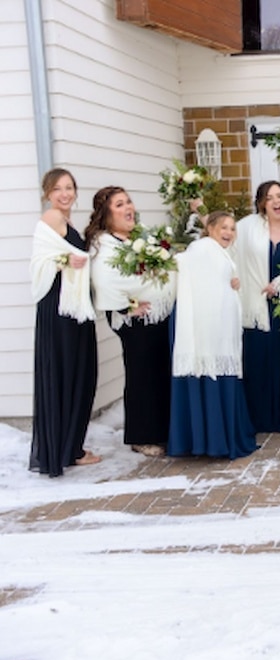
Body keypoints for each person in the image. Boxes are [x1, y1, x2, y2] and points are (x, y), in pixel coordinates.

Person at [86, 186, 175, 457]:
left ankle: (164, 429)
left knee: (160, 372)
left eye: (129, 202)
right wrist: (126, 306)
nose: (128, 208)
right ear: (106, 213)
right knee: (142, 376)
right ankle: (141, 436)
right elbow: (106, 279)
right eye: (119, 205)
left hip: (158, 314)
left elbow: (164, 266)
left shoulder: (140, 237)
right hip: (134, 321)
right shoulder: (105, 244)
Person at [168, 211, 259, 459]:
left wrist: (232, 285)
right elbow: (188, 273)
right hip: (207, 333)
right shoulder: (202, 248)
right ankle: (213, 442)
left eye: (232, 228)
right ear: (210, 228)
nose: (228, 232)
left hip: (220, 333)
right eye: (224, 227)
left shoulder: (221, 253)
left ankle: (220, 440)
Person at [28, 168, 99, 476]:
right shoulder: (50, 219)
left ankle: (70, 446)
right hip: (59, 309)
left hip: (73, 309)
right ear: (48, 193)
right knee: (66, 370)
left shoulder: (66, 221)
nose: (64, 193)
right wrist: (64, 260)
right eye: (57, 189)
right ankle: (65, 449)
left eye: (69, 187)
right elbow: (39, 263)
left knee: (77, 372)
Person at [233, 181, 280, 434]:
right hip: (256, 305)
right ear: (261, 204)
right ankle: (260, 418)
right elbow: (224, 241)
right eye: (269, 198)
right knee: (259, 361)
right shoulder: (248, 227)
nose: (276, 201)